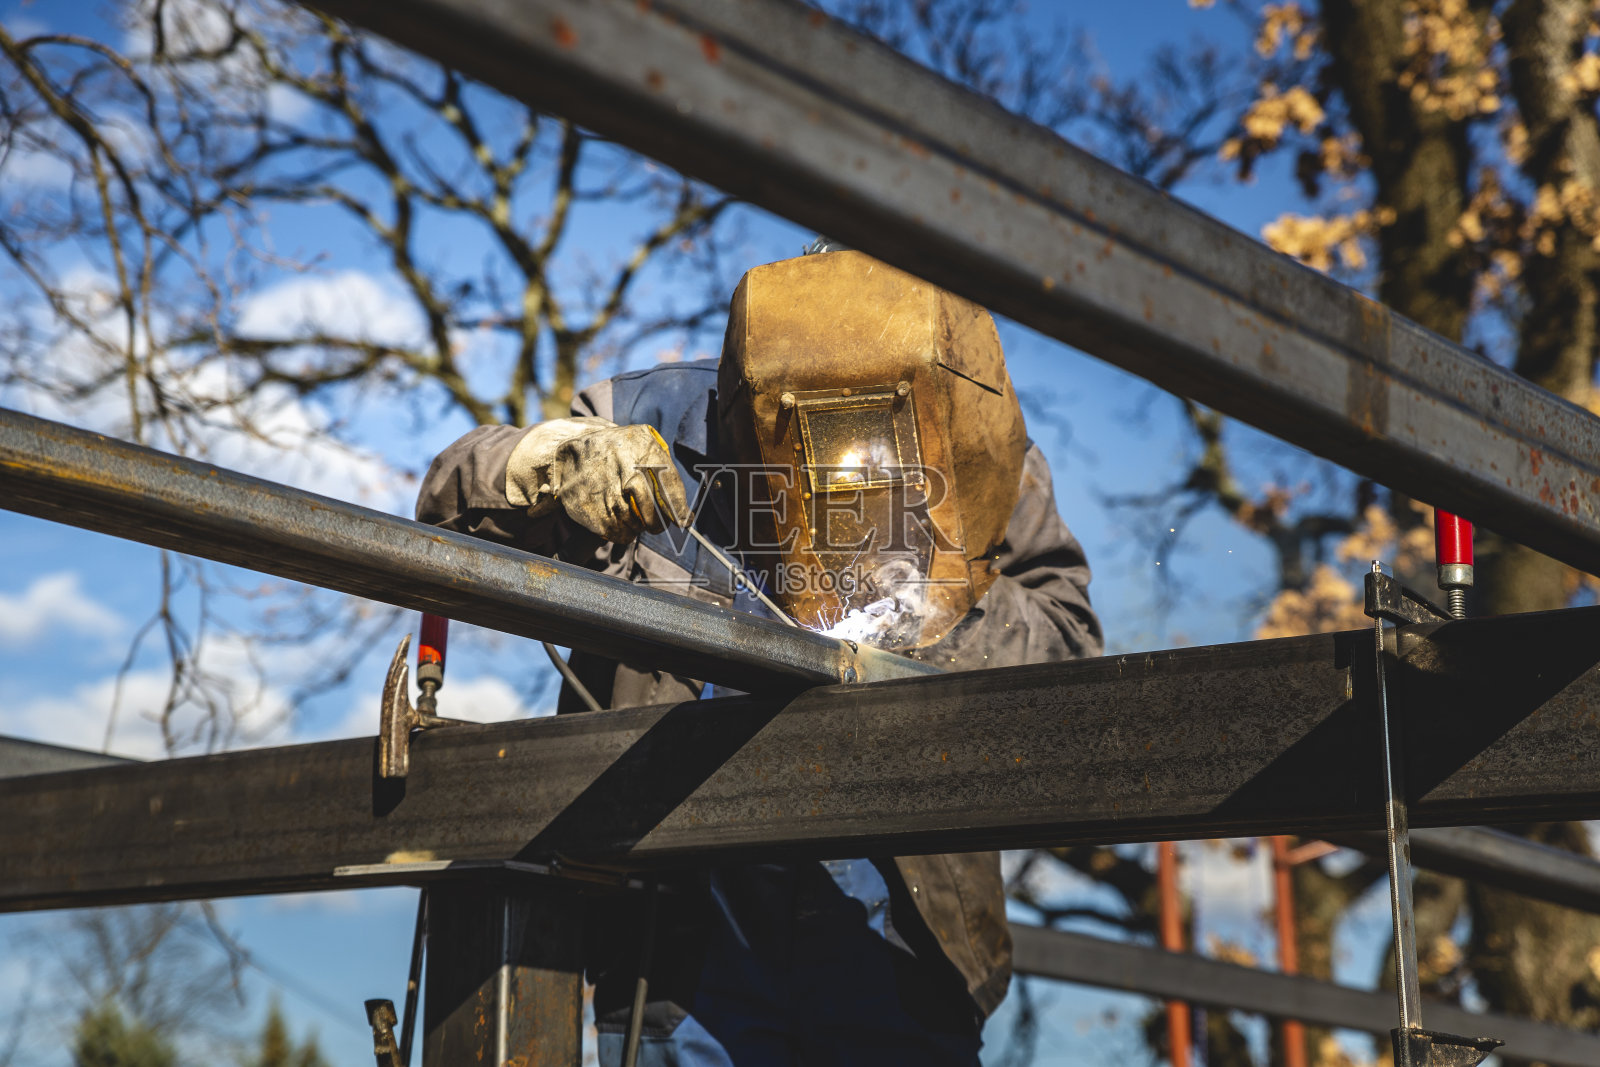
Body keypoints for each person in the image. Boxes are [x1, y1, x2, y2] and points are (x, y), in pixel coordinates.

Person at [416, 244, 1102, 1067]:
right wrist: (551, 464)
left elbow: (1068, 650)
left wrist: (936, 591)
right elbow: (447, 507)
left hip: (896, 922)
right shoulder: (652, 418)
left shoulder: (974, 438)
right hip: (685, 928)